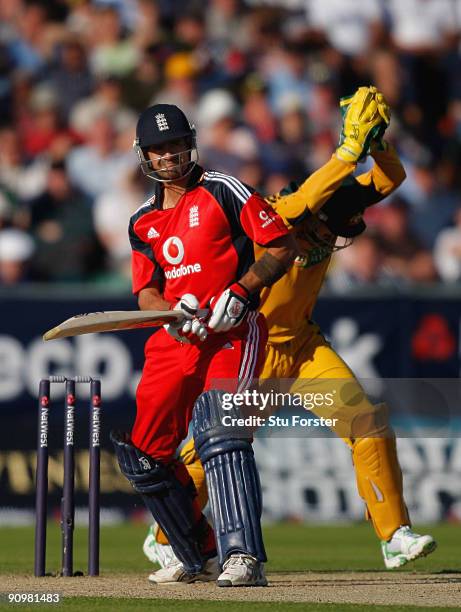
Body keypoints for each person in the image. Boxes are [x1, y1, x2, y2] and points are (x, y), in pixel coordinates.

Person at [143, 87, 436, 579]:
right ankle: (164, 535)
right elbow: (303, 201)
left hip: (301, 347)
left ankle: (394, 536)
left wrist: (376, 140)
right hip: (250, 352)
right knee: (211, 451)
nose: (330, 243)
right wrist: (346, 150)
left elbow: (392, 177)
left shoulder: (335, 209)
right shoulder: (282, 209)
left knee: (366, 422)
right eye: (325, 234)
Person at [111, 103, 297, 586]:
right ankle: (197, 551)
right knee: (145, 454)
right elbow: (147, 290)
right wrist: (168, 316)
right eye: (158, 148)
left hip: (231, 332)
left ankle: (244, 557)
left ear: (190, 142)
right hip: (177, 340)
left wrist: (242, 290)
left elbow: (282, 245)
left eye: (175, 144)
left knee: (223, 431)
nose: (169, 155)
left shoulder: (224, 189)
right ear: (144, 156)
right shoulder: (141, 221)